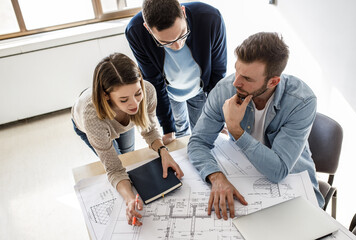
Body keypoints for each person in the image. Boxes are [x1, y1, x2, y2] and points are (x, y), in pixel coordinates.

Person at [187, 32, 324, 220]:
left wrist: (235, 129)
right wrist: (216, 177)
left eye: (247, 79)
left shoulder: (302, 101)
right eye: (236, 71)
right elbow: (197, 142)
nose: (236, 82)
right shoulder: (225, 89)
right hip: (246, 176)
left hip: (293, 182)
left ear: (273, 81)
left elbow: (278, 171)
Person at [71, 53, 184, 226]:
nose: (134, 104)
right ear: (106, 95)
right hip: (89, 124)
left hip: (119, 121)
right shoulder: (91, 115)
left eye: (137, 93)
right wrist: (130, 198)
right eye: (124, 99)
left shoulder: (148, 91)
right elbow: (114, 168)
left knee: (127, 154)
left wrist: (163, 151)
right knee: (117, 158)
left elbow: (150, 129)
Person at [125, 0, 227, 144]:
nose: (178, 46)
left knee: (202, 131)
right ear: (148, 28)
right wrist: (167, 127)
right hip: (169, 92)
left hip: (200, 87)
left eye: (182, 34)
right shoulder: (135, 32)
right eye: (166, 42)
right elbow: (153, 81)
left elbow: (218, 71)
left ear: (183, 13)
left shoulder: (210, 17)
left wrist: (219, 116)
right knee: (179, 131)